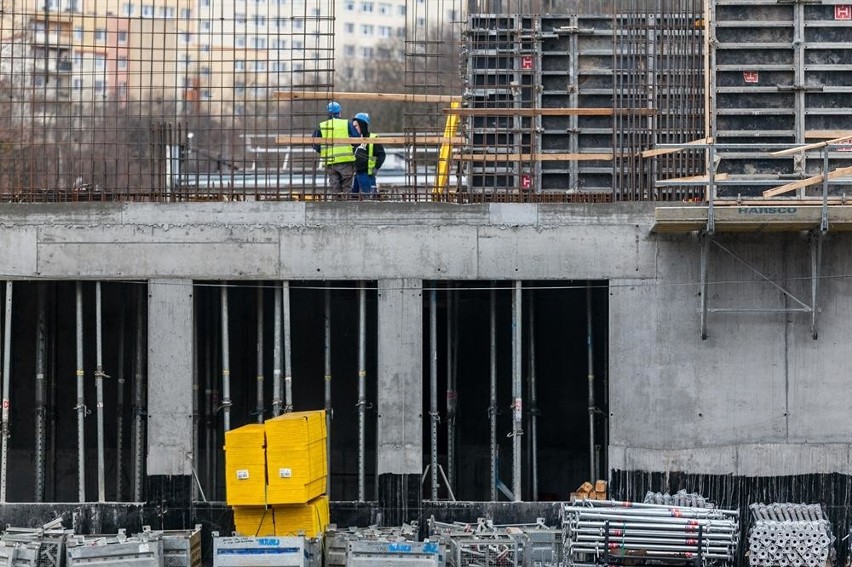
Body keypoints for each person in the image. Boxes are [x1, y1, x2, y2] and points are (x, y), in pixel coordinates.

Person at [313, 101, 359, 193]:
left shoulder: (321, 126)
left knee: (335, 190)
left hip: (331, 162)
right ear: (339, 112)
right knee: (347, 189)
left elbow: (314, 144)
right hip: (346, 161)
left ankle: (335, 206)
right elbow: (357, 140)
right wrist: (352, 149)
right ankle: (347, 207)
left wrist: (324, 152)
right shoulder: (346, 124)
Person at [350, 112, 386, 198]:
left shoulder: (372, 138)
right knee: (354, 199)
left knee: (369, 199)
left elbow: (381, 155)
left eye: (356, 126)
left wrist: (376, 168)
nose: (354, 129)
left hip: (367, 175)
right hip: (356, 174)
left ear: (362, 125)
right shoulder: (355, 140)